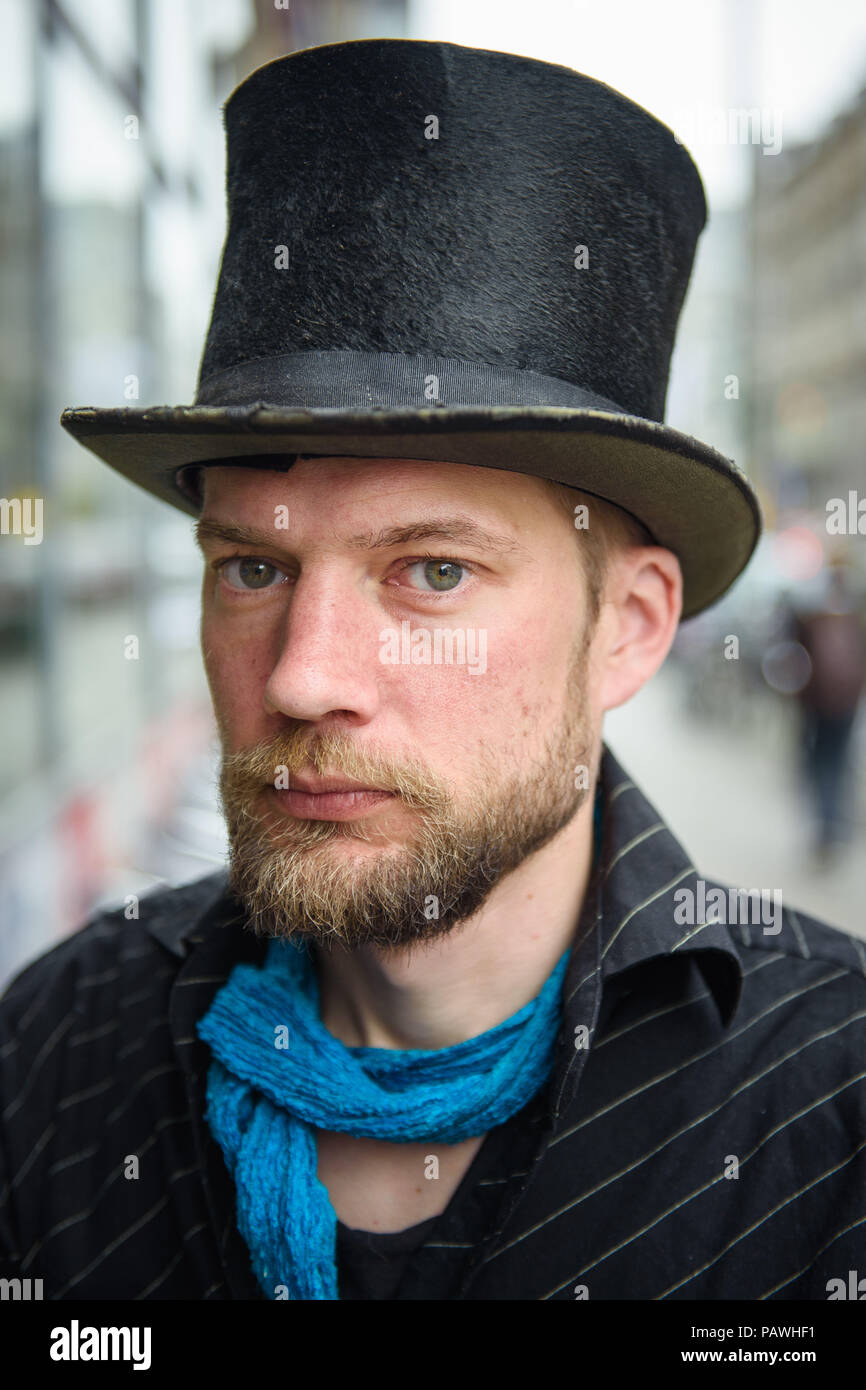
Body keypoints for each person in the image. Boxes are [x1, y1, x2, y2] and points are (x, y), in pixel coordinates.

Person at [1, 38, 864, 1302]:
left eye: (432, 572)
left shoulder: (828, 1107)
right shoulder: (63, 1045)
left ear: (625, 627)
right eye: (252, 569)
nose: (300, 678)